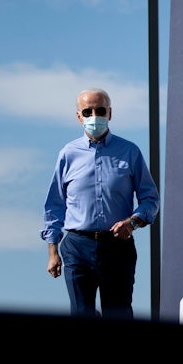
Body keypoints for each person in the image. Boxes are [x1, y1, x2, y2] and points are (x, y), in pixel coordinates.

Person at [42, 88, 160, 319]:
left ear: (110, 113)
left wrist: (133, 222)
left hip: (117, 246)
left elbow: (150, 199)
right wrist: (52, 251)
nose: (94, 115)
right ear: (79, 117)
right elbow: (54, 204)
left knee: (119, 313)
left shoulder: (129, 151)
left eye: (100, 110)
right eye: (87, 111)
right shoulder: (68, 154)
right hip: (77, 245)